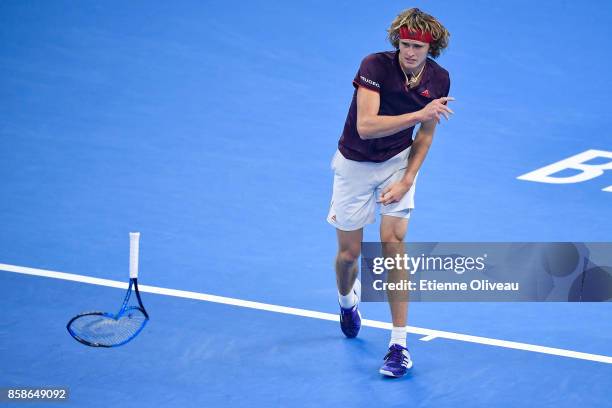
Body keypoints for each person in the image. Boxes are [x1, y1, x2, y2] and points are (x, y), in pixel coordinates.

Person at [327, 7, 453, 378]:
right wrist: (419, 114)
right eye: (404, 43)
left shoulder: (439, 79)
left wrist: (408, 178)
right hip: (354, 163)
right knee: (349, 255)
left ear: (431, 49)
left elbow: (426, 135)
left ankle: (399, 345)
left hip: (397, 162)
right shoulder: (375, 66)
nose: (409, 52)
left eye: (417, 46)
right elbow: (366, 127)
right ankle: (347, 302)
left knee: (392, 244)